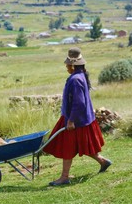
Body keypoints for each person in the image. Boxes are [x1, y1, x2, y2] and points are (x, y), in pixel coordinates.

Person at [43, 47, 112, 186]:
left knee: (67, 148)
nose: (66, 67)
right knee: (82, 145)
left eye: (67, 64)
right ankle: (103, 161)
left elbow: (79, 103)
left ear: (73, 65)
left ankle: (64, 177)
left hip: (75, 121)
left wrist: (71, 121)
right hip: (82, 119)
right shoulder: (80, 76)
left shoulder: (75, 80)